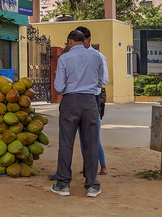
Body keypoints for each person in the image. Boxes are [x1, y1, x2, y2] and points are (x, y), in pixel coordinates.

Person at [51, 30, 105, 198]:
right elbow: (100, 82)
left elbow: (59, 87)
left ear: (69, 42)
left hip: (70, 101)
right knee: (90, 143)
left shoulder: (64, 58)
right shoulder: (97, 57)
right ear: (84, 41)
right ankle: (92, 185)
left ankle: (63, 184)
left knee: (66, 143)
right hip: (90, 102)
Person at [76, 25, 109, 175]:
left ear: (88, 40)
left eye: (81, 40)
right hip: (77, 98)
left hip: (92, 97)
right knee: (82, 137)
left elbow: (104, 80)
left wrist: (88, 84)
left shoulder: (98, 57)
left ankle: (102, 165)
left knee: (93, 134)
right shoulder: (73, 56)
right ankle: (87, 166)